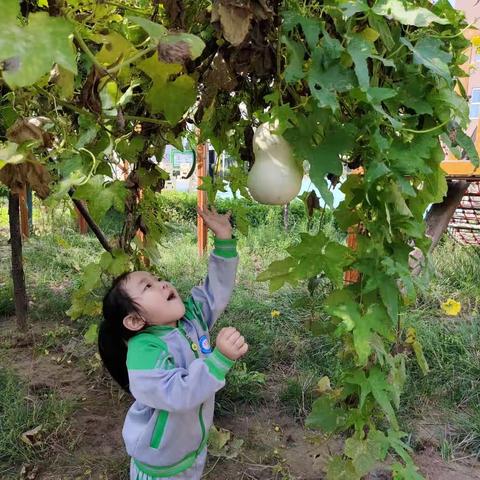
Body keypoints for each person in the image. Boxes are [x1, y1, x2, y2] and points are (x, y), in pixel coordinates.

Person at [98, 206, 248, 480]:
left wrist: (224, 239)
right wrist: (219, 360)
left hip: (191, 453)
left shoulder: (190, 320)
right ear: (134, 321)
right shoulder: (144, 352)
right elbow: (176, 394)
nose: (162, 284)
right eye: (147, 287)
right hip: (160, 467)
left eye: (157, 279)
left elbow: (215, 291)